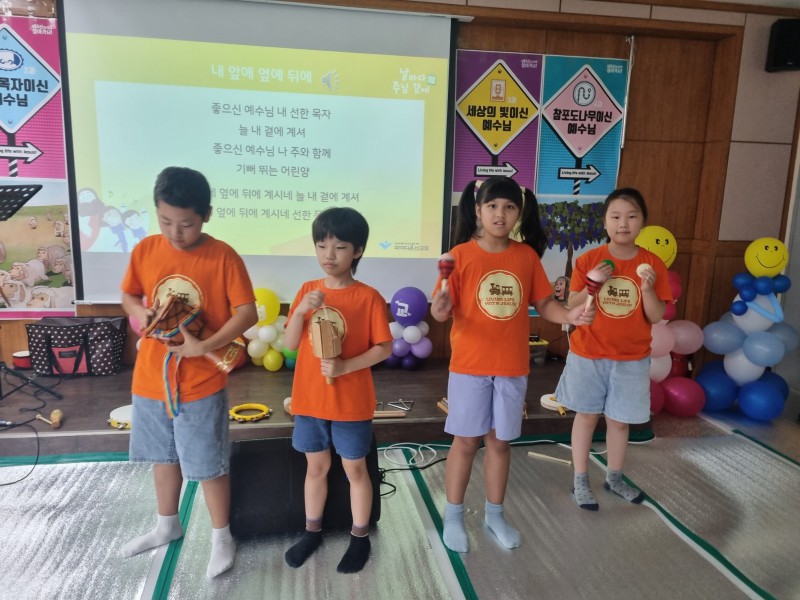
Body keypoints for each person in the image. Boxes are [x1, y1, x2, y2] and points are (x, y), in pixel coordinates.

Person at [430, 176, 594, 553]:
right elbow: (440, 312)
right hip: (469, 366)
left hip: (511, 366)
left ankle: (495, 515)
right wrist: (439, 307)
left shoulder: (526, 257)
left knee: (499, 442)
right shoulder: (459, 256)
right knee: (465, 442)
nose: (500, 214)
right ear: (478, 211)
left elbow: (545, 305)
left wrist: (570, 314)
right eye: (492, 206)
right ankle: (453, 516)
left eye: (508, 207)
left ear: (518, 214)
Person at [119, 166, 258, 578]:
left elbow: (247, 313)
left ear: (206, 215)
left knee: (208, 464)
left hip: (200, 382)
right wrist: (139, 310)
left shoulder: (223, 256)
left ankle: (222, 536)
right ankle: (167, 525)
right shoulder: (146, 249)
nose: (175, 233)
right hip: (150, 378)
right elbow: (128, 294)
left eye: (186, 224)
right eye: (165, 222)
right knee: (162, 457)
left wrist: (204, 346)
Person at [282, 207, 392, 573]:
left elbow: (384, 348)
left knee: (355, 469)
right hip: (310, 399)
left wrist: (346, 366)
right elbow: (290, 343)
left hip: (351, 402)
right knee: (316, 467)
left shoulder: (369, 297)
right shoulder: (307, 290)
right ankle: (312, 532)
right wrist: (301, 311)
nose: (329, 255)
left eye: (340, 247)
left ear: (357, 250)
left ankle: (360, 537)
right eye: (322, 245)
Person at [555, 187, 672, 511]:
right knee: (586, 417)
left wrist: (647, 288)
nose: (623, 223)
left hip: (632, 358)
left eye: (632, 216)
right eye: (616, 216)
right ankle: (580, 480)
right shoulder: (589, 259)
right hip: (588, 354)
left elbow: (656, 315)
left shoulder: (651, 263)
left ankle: (614, 478)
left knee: (620, 422)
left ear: (643, 221)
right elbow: (572, 302)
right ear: (605, 222)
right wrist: (593, 284)